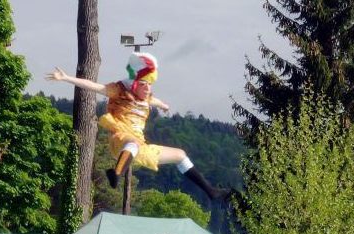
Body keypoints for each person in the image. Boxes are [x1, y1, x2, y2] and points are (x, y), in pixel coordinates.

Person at [46, 54, 225, 199]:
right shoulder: (119, 91)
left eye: (150, 85)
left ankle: (210, 191)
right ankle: (116, 173)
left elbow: (153, 100)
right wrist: (66, 78)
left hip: (138, 145)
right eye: (144, 85)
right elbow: (95, 87)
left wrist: (163, 105)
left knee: (180, 155)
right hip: (120, 138)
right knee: (132, 142)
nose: (148, 89)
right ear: (134, 83)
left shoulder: (147, 96)